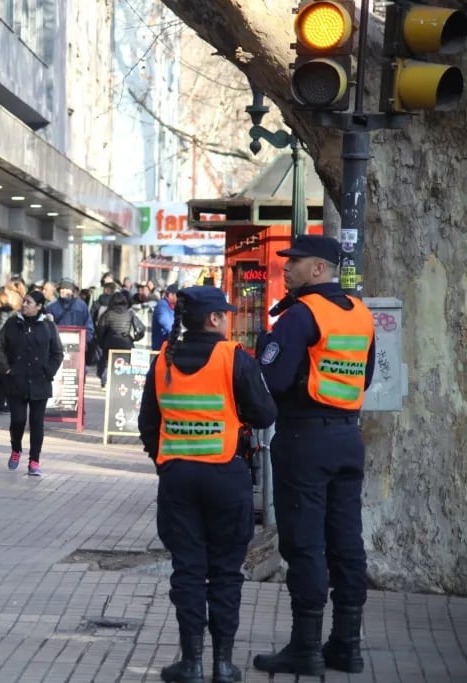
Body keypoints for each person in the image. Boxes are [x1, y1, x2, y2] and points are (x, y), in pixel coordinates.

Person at [137, 286, 277, 683]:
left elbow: (148, 422)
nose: (229, 319)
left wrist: (165, 463)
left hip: (178, 479)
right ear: (213, 319)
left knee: (188, 571)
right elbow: (265, 414)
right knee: (226, 572)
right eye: (225, 314)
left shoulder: (164, 358)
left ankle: (192, 663)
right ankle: (223, 664)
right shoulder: (233, 357)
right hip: (225, 477)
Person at [253, 235, 376, 678]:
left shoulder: (300, 315)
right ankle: (346, 645)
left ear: (319, 269)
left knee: (304, 543)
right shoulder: (360, 314)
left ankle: (305, 648)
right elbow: (362, 380)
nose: (285, 268)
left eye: (295, 262)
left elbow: (272, 381)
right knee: (346, 543)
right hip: (347, 438)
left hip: (304, 440)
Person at [0, 290, 64, 476]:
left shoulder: (47, 325)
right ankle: (16, 449)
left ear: (38, 306)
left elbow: (57, 353)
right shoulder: (12, 323)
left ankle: (34, 460)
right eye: (24, 301)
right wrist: (7, 369)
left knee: (36, 423)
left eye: (29, 302)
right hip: (16, 380)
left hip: (40, 382)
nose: (24, 305)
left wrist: (48, 371)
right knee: (18, 420)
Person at [95, 291, 146, 387]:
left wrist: (102, 343)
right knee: (127, 364)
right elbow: (141, 329)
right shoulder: (130, 314)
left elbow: (100, 330)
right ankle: (127, 382)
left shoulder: (107, 314)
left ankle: (105, 381)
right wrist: (134, 339)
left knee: (107, 362)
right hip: (126, 342)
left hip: (110, 342)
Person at [152, 283, 179, 350]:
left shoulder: (173, 307)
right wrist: (177, 333)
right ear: (170, 295)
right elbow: (166, 323)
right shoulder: (162, 305)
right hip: (160, 348)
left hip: (169, 347)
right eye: (178, 295)